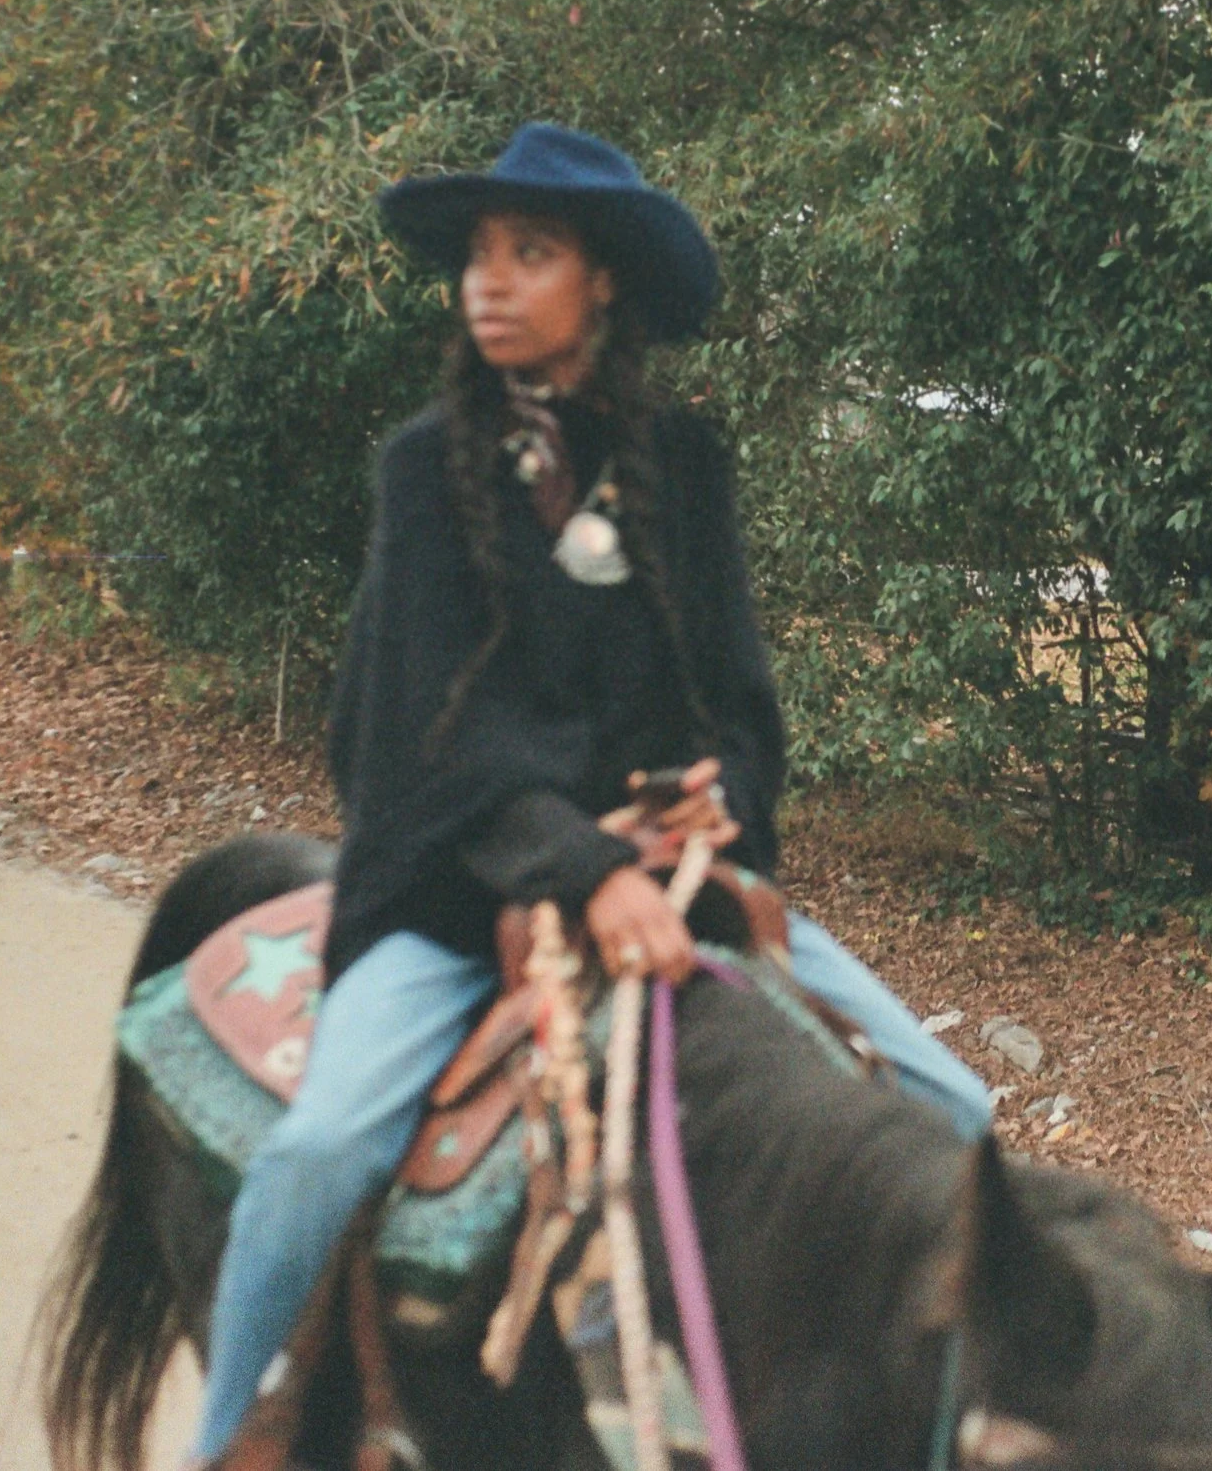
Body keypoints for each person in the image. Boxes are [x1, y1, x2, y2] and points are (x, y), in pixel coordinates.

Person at [190, 123, 991, 1464]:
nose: (488, 282)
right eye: (480, 257)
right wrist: (585, 867)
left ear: (602, 279)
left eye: (531, 252)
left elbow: (740, 701)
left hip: (668, 880)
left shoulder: (689, 466)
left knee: (958, 1114)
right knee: (319, 1151)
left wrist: (721, 796)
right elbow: (420, 736)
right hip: (459, 891)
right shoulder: (421, 471)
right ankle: (240, 1425)